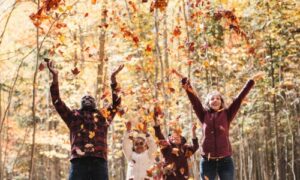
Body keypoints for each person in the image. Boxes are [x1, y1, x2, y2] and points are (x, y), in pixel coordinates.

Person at [173, 69, 262, 180]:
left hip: (225, 161)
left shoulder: (227, 114)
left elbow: (239, 99)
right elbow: (194, 100)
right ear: (208, 103)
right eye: (212, 99)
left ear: (221, 102)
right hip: (207, 162)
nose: (215, 100)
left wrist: (251, 81)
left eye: (218, 98)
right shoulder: (203, 114)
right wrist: (184, 80)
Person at [46, 59, 124, 180]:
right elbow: (57, 102)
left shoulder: (103, 116)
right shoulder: (73, 116)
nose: (87, 98)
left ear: (94, 103)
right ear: (81, 103)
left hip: (98, 160)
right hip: (79, 162)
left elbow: (116, 104)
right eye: (84, 98)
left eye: (90, 98)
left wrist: (113, 79)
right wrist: (55, 78)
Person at [153, 106, 199, 180]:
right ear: (169, 138)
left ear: (182, 139)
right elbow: (159, 135)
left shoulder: (185, 148)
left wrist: (193, 132)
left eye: (178, 136)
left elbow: (195, 146)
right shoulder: (167, 147)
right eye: (173, 136)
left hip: (183, 177)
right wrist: (156, 120)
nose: (175, 137)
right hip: (169, 177)